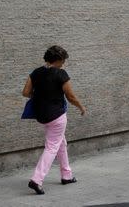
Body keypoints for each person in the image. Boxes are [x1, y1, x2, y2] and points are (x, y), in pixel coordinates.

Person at [22, 45, 85, 195]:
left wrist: (41, 96)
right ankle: (36, 180)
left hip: (42, 115)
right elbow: (70, 96)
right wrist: (81, 107)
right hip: (57, 116)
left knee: (60, 142)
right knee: (52, 147)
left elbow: (25, 92)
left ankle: (66, 175)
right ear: (58, 60)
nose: (64, 63)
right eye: (63, 60)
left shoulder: (36, 73)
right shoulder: (60, 73)